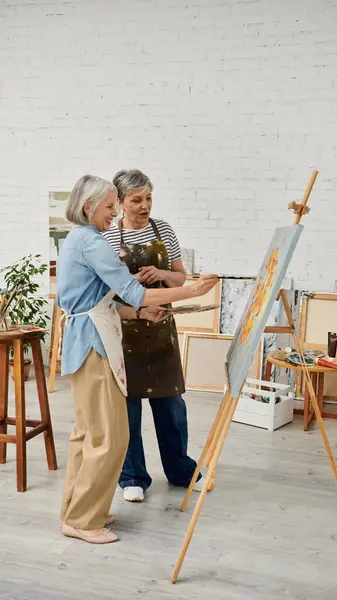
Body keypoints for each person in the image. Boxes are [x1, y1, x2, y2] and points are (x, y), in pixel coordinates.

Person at [57, 174, 218, 544]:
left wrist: (138, 314)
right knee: (110, 435)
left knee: (88, 434)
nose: (114, 214)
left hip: (95, 337)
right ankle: (82, 521)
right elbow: (133, 292)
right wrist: (190, 289)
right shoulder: (95, 243)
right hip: (96, 344)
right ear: (89, 207)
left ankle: (83, 511)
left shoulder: (79, 240)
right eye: (111, 205)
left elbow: (106, 302)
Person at [102, 169, 205, 503]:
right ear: (119, 202)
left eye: (148, 198)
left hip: (162, 330)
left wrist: (161, 273)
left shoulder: (164, 230)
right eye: (136, 200)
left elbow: (179, 279)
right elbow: (104, 294)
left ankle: (181, 471)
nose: (144, 205)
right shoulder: (107, 239)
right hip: (124, 332)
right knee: (128, 409)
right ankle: (132, 476)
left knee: (171, 407)